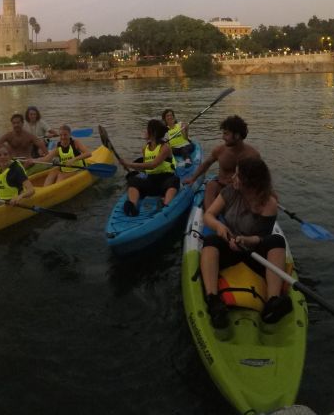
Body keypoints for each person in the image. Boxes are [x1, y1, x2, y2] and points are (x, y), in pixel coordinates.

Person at [199, 156, 291, 329]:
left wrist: (246, 240)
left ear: (249, 182)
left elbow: (262, 237)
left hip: (255, 254)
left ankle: (273, 300)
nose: (232, 178)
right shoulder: (229, 192)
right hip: (230, 247)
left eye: (237, 175)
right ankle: (212, 298)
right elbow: (208, 215)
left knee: (276, 241)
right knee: (211, 241)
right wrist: (219, 227)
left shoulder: (269, 203)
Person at [183, 115, 260, 209]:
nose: (223, 137)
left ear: (237, 135)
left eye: (226, 134)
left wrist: (269, 193)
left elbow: (261, 177)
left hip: (240, 191)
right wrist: (193, 178)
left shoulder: (252, 155)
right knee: (211, 185)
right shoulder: (220, 150)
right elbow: (206, 164)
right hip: (221, 186)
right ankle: (210, 215)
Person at [119, 119, 180, 216]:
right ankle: (132, 205)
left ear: (153, 132)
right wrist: (129, 167)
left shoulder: (165, 147)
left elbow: (153, 165)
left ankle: (165, 204)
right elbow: (145, 168)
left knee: (174, 181)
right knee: (132, 180)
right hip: (151, 180)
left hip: (165, 178)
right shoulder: (145, 148)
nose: (145, 131)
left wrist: (129, 164)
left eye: (147, 129)